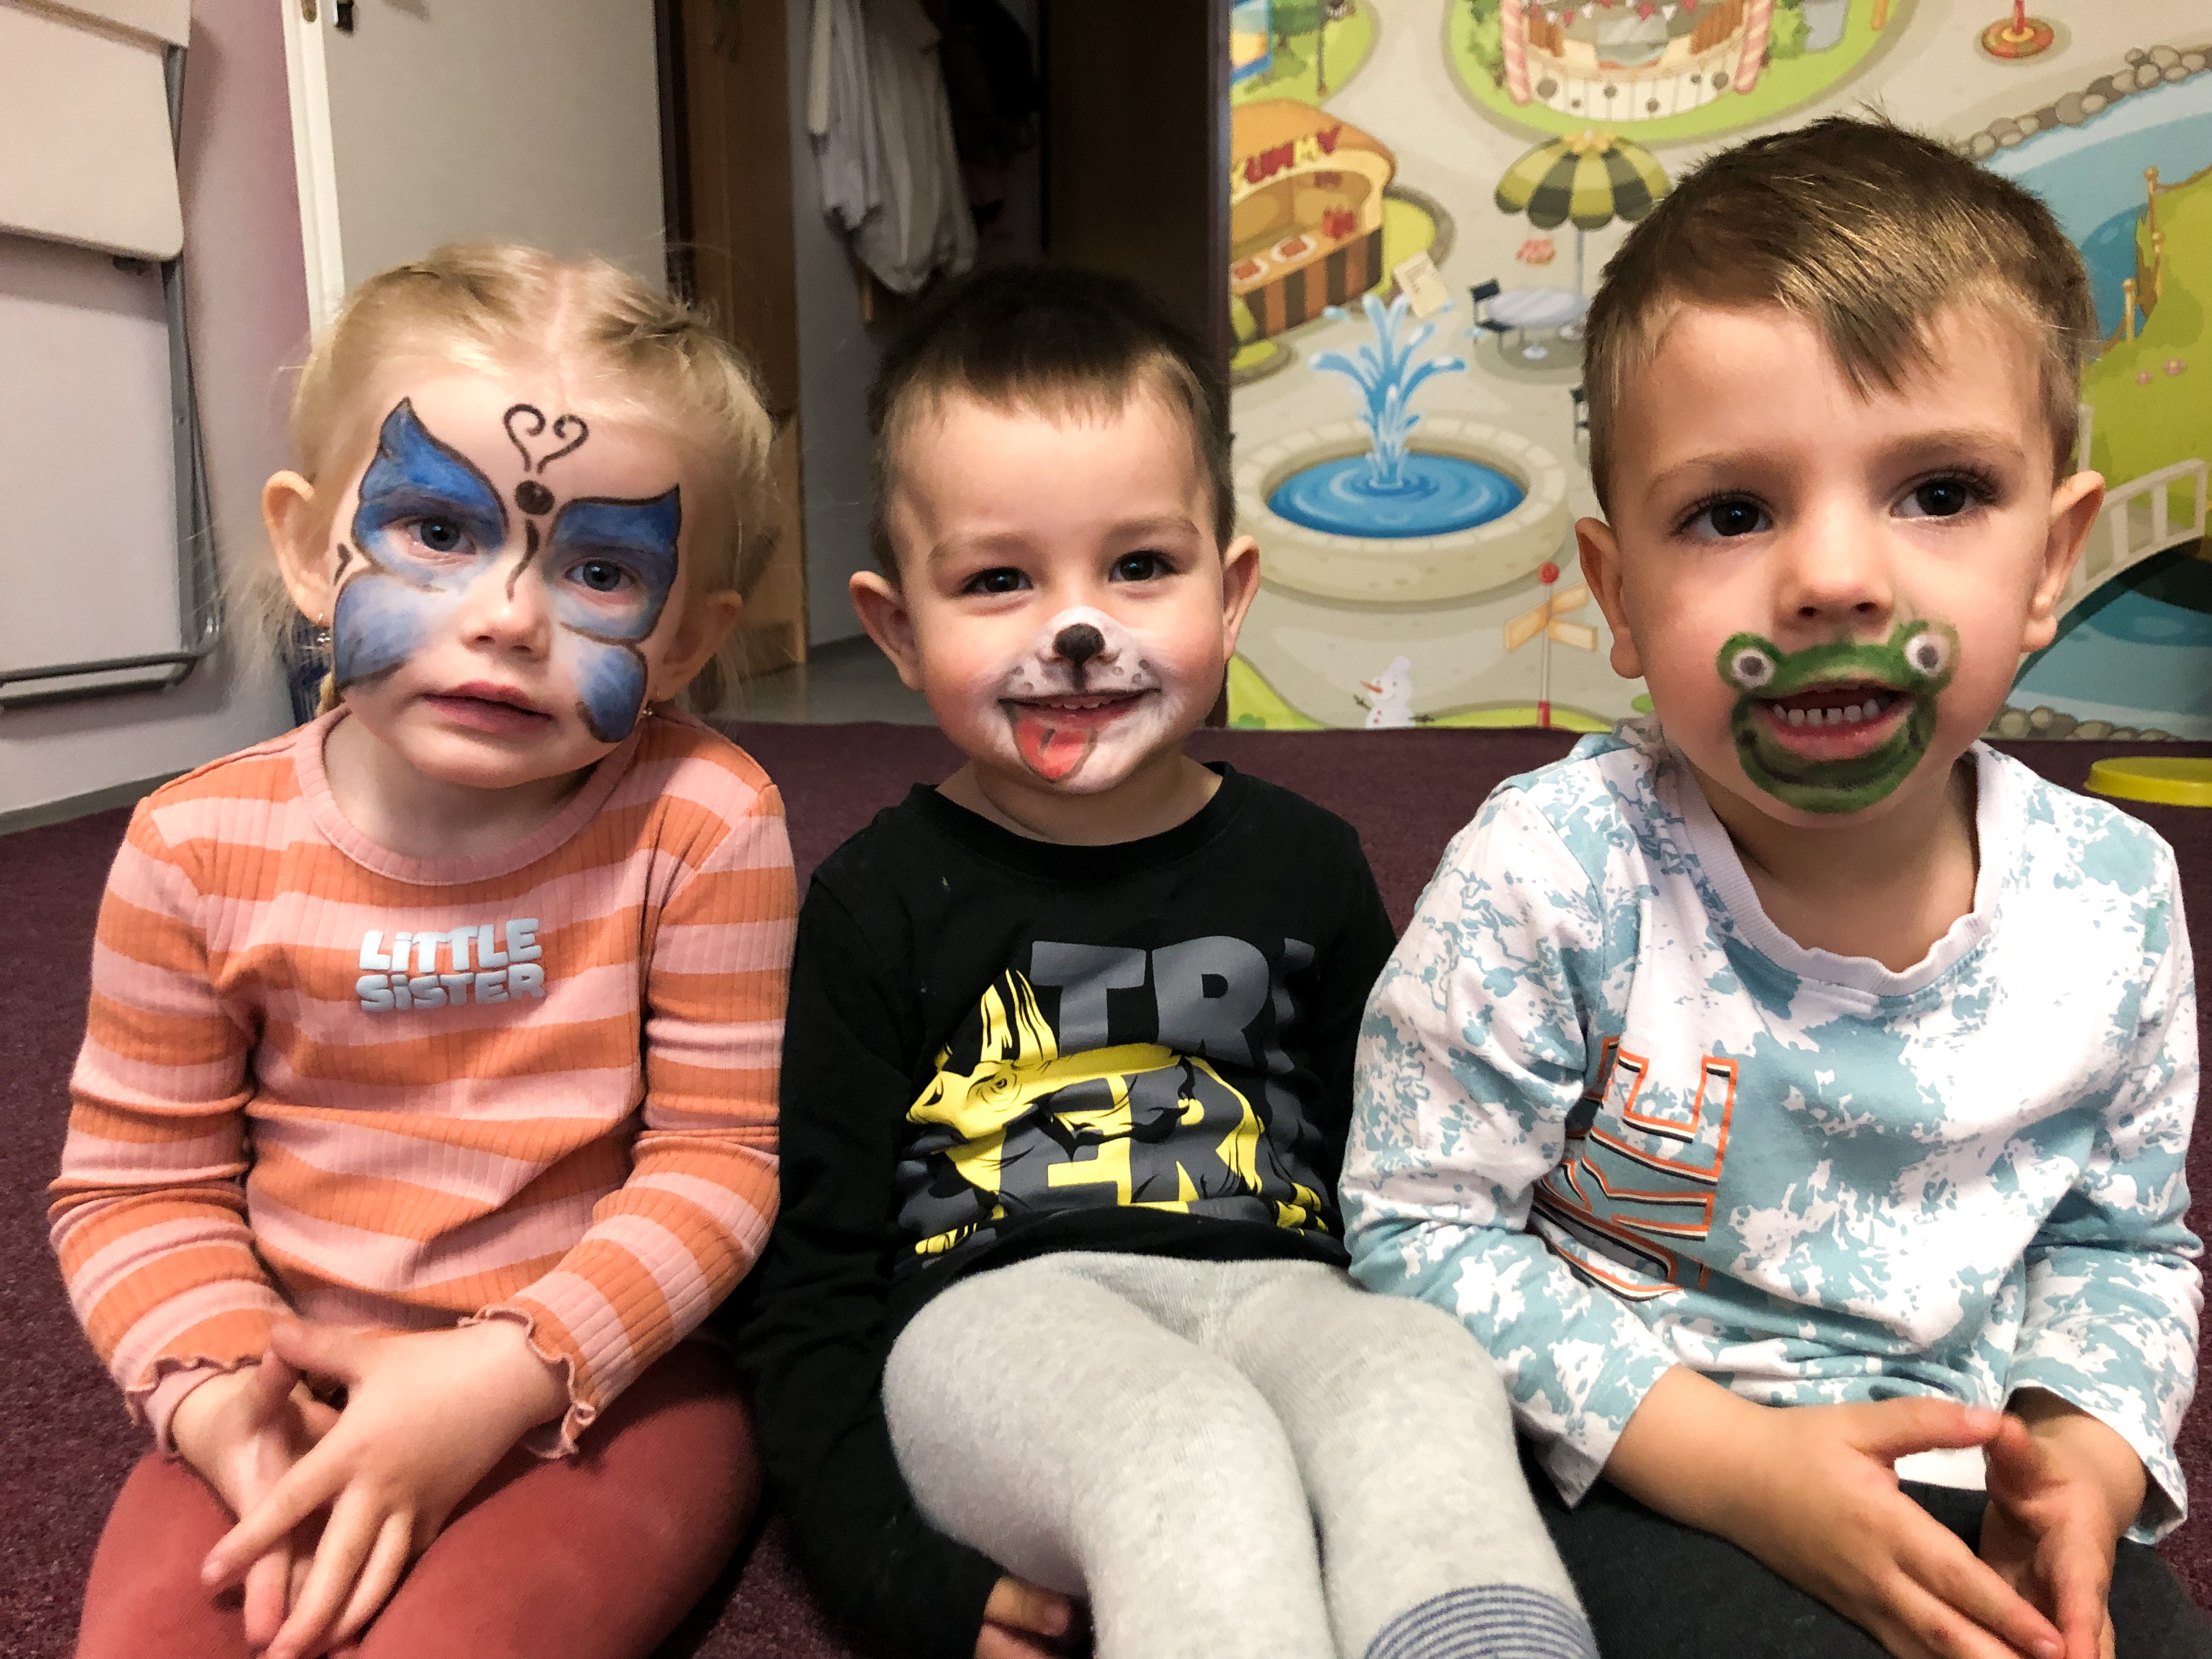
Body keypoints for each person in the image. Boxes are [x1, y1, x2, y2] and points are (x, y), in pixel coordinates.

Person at [1342, 116, 2210, 1659]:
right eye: (1731, 513)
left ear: (2051, 561)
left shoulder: (2115, 897)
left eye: (1939, 491)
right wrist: (1739, 1469)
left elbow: (2122, 1243)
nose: (1833, 578)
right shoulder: (1554, 872)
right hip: (1628, 1454)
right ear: (1620, 595)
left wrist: (2080, 1458)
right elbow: (1420, 1231)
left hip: (1959, 1461)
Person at [739, 266, 1595, 1659]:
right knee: (1192, 1445)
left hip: (1278, 1283)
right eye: (999, 581)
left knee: (1422, 1374)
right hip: (995, 1315)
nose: (1079, 635)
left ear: (1230, 590)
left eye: (1140, 566)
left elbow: (1399, 1162)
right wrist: (888, 1566)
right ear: (896, 630)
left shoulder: (1310, 861)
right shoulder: (874, 899)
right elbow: (811, 1282)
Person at [49, 243, 797, 1659]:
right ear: (304, 548)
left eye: (600, 571)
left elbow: (718, 1161)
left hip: (610, 1380)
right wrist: (226, 1411)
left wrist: (504, 1375)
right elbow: (136, 1190)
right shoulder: (190, 846)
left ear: (690, 641)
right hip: (286, 1370)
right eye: (439, 533)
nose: (508, 616)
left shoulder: (706, 823)